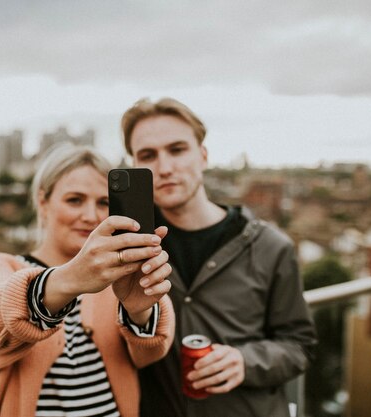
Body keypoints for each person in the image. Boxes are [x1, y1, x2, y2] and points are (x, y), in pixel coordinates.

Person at [121, 98, 317, 417]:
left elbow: (299, 345)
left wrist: (246, 361)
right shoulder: (131, 247)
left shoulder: (269, 246)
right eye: (148, 155)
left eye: (177, 149)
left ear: (203, 156)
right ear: (134, 167)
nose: (165, 167)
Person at [0, 144, 175, 417]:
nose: (90, 216)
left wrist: (139, 310)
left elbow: (150, 354)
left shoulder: (120, 278)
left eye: (104, 203)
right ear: (43, 202)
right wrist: (71, 279)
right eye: (74, 200)